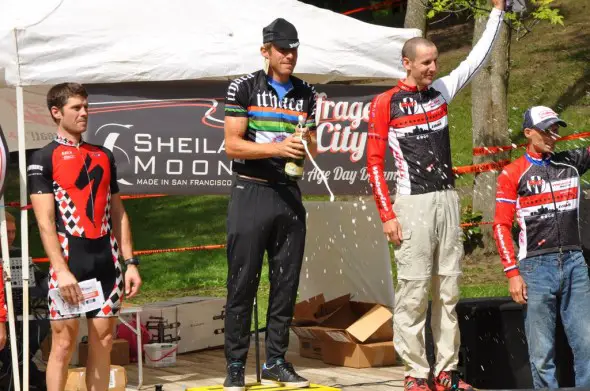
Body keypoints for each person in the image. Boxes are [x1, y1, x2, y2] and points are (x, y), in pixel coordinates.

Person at [366, 1, 505, 390]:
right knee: (413, 292)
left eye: (435, 61)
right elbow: (373, 164)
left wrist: (496, 13)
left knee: (448, 291)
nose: (433, 68)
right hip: (411, 204)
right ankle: (415, 374)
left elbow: (476, 60)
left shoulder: (441, 92)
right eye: (425, 62)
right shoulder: (385, 104)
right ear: (406, 63)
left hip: (446, 199)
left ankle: (446, 371)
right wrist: (387, 215)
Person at [222, 17, 317, 391]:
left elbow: (312, 146)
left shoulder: (307, 92)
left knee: (286, 282)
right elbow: (232, 145)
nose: (289, 55)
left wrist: (303, 146)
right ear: (266, 51)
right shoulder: (244, 87)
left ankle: (276, 360)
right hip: (251, 190)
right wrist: (277, 148)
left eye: (293, 48)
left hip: (289, 192)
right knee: (242, 283)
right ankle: (234, 365)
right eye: (282, 49)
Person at [27, 83, 142, 391]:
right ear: (56, 112)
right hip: (69, 260)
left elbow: (118, 212)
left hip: (107, 260)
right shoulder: (43, 157)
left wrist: (130, 263)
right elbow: (45, 222)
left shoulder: (103, 154)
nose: (84, 113)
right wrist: (61, 270)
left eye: (86, 107)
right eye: (76, 108)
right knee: (63, 344)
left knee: (104, 340)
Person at [493, 106, 590, 389]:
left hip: (574, 262)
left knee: (586, 342)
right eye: (546, 130)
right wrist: (512, 272)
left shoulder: (570, 163)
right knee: (541, 351)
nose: (553, 135)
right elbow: (500, 225)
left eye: (555, 128)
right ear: (528, 133)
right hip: (535, 268)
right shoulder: (512, 173)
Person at [0, 211, 49, 391]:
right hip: (3, 312)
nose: (11, 236)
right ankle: (29, 375)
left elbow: (39, 277)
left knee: (43, 323)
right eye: (7, 232)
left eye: (14, 232)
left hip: (20, 307)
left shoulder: (19, 253)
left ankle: (20, 371)